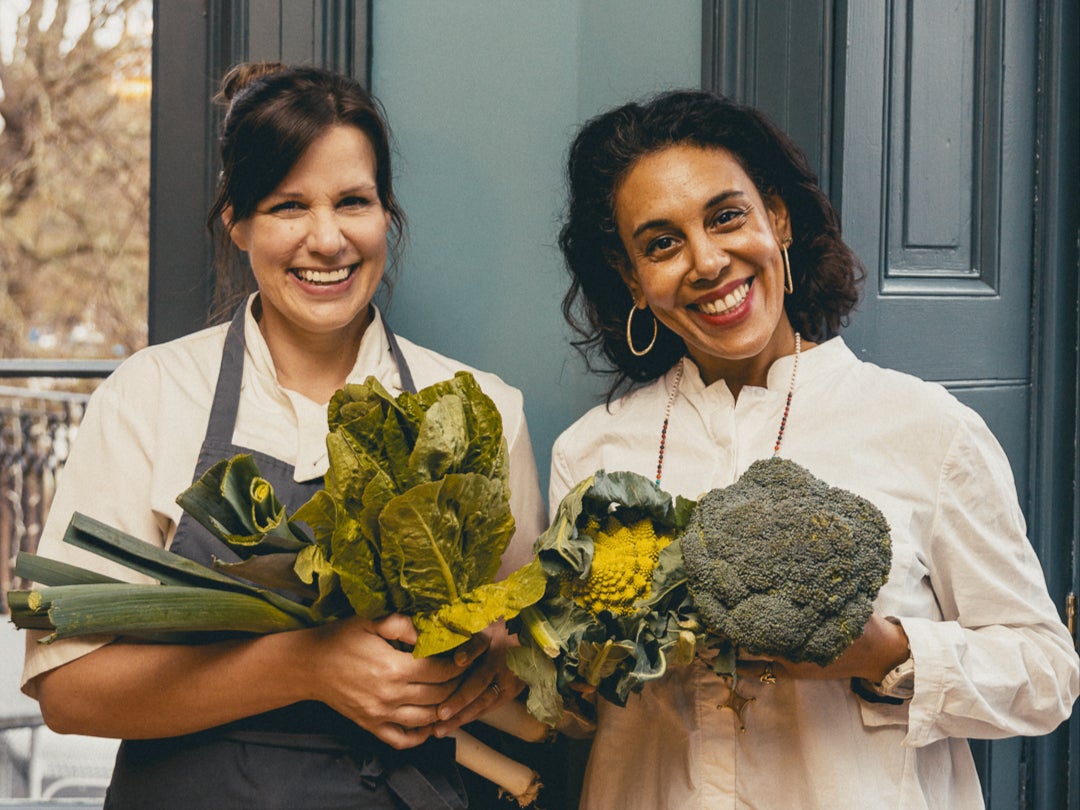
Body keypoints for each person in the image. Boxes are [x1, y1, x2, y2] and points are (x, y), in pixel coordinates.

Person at [20, 63, 547, 810]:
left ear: (387, 214)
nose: (326, 239)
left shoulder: (480, 409)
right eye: (287, 205)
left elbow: (525, 657)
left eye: (353, 202)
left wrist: (485, 666)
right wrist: (310, 666)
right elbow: (69, 692)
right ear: (237, 222)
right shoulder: (151, 395)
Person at [551, 89, 1079, 809]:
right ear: (632, 280)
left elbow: (1048, 676)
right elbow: (575, 706)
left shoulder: (924, 426)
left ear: (779, 218)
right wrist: (575, 671)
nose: (707, 261)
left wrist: (887, 654)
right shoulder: (592, 452)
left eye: (726, 216)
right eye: (662, 243)